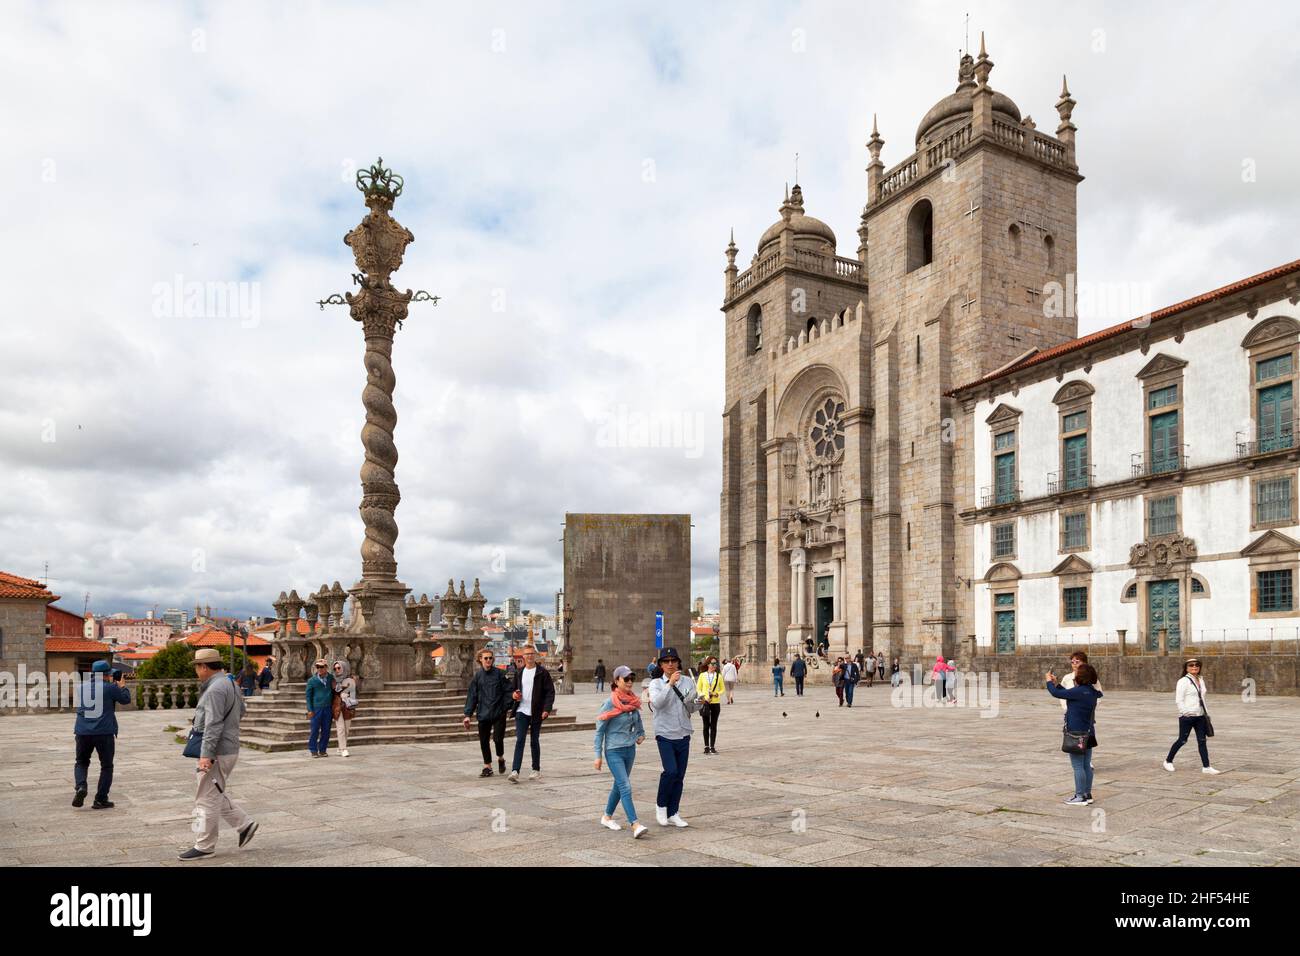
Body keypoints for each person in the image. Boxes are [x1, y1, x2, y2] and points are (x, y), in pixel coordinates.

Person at [180, 647, 257, 859]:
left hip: (217, 751)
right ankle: (244, 824)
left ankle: (204, 845)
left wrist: (206, 754)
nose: (196, 670)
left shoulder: (214, 689)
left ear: (204, 667)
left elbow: (213, 725)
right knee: (213, 793)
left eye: (197, 666)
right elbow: (241, 711)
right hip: (228, 747)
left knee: (204, 799)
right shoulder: (230, 683)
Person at [594, 665, 648, 838]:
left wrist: (641, 734)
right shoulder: (610, 703)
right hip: (613, 750)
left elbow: (637, 719)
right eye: (626, 679)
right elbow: (600, 730)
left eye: (632, 678)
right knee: (625, 786)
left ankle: (607, 816)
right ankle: (635, 824)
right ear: (617, 681)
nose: (630, 682)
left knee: (619, 785)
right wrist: (598, 756)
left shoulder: (632, 701)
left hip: (629, 749)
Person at [649, 647, 698, 827]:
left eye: (673, 660)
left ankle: (673, 812)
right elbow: (657, 703)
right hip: (665, 733)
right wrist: (669, 684)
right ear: (661, 665)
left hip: (684, 732)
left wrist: (699, 702)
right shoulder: (655, 684)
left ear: (678, 662)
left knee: (680, 775)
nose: (670, 664)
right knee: (671, 771)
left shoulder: (687, 681)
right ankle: (661, 806)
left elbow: (691, 707)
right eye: (666, 661)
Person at [72, 660, 132, 809]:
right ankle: (100, 799)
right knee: (106, 766)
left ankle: (81, 787)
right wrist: (122, 686)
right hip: (103, 732)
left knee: (81, 762)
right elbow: (126, 700)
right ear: (106, 675)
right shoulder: (110, 687)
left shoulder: (80, 688)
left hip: (82, 731)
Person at [1045, 663, 1102, 806]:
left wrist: (1048, 681)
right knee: (1086, 765)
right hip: (1089, 732)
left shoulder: (1078, 692)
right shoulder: (1091, 692)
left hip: (1077, 734)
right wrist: (1057, 684)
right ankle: (1087, 794)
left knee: (1077, 766)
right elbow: (1068, 694)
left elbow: (1057, 694)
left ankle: (1079, 796)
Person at [507, 645, 555, 782]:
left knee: (534, 740)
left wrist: (547, 709)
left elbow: (550, 692)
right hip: (521, 710)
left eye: (532, 654)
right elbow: (513, 689)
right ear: (523, 656)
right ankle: (515, 771)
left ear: (535, 655)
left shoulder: (542, 673)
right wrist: (514, 695)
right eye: (527, 654)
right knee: (520, 740)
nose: (529, 656)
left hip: (536, 711)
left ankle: (535, 769)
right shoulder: (519, 672)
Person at [1164, 658, 1220, 774]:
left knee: (1202, 741)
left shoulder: (1200, 679)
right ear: (1186, 668)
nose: (1194, 667)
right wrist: (1185, 713)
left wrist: (1206, 713)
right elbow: (1179, 699)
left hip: (1200, 716)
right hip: (1188, 716)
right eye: (1191, 665)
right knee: (1182, 740)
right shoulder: (1183, 681)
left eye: (1197, 665)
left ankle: (1206, 767)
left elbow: (1202, 698)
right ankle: (1168, 761)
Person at [463, 648, 511, 776]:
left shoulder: (501, 674)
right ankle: (487, 766)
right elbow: (472, 696)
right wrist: (468, 715)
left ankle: (500, 758)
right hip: (483, 713)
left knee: (497, 739)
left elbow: (509, 692)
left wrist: (504, 708)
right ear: (480, 659)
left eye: (490, 658)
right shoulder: (477, 676)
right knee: (484, 741)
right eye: (486, 658)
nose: (488, 660)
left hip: (498, 713)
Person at [1059, 651, 1102, 768]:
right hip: (1072, 711)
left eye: (1077, 662)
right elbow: (1063, 693)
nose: (1074, 664)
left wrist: (1090, 707)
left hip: (1086, 712)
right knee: (1073, 736)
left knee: (1087, 733)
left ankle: (1087, 759)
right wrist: (1066, 708)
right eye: (1072, 662)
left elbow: (1097, 695)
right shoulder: (1067, 678)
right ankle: (1078, 754)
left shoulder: (1091, 678)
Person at [306, 659, 334, 758]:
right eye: (317, 667)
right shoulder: (311, 681)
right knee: (314, 730)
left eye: (321, 667)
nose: (319, 669)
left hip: (328, 708)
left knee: (326, 730)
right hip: (316, 708)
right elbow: (308, 697)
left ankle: (323, 750)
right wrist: (310, 710)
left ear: (326, 667)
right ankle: (313, 750)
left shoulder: (331, 678)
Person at [696, 657, 724, 754]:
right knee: (705, 725)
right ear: (708, 665)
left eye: (716, 663)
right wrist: (702, 696)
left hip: (715, 702)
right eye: (712, 663)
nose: (714, 665)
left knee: (713, 725)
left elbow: (722, 689)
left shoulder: (718, 676)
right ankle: (706, 746)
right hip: (705, 702)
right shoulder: (702, 675)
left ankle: (712, 746)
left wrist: (717, 693)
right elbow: (698, 688)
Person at [331, 659, 357, 757]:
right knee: (341, 728)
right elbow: (332, 693)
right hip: (337, 706)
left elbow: (354, 694)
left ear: (344, 668)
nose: (337, 670)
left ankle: (340, 747)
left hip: (348, 707)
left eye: (339, 668)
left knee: (346, 729)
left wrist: (348, 695)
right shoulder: (332, 680)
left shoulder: (351, 680)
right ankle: (344, 749)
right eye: (335, 668)